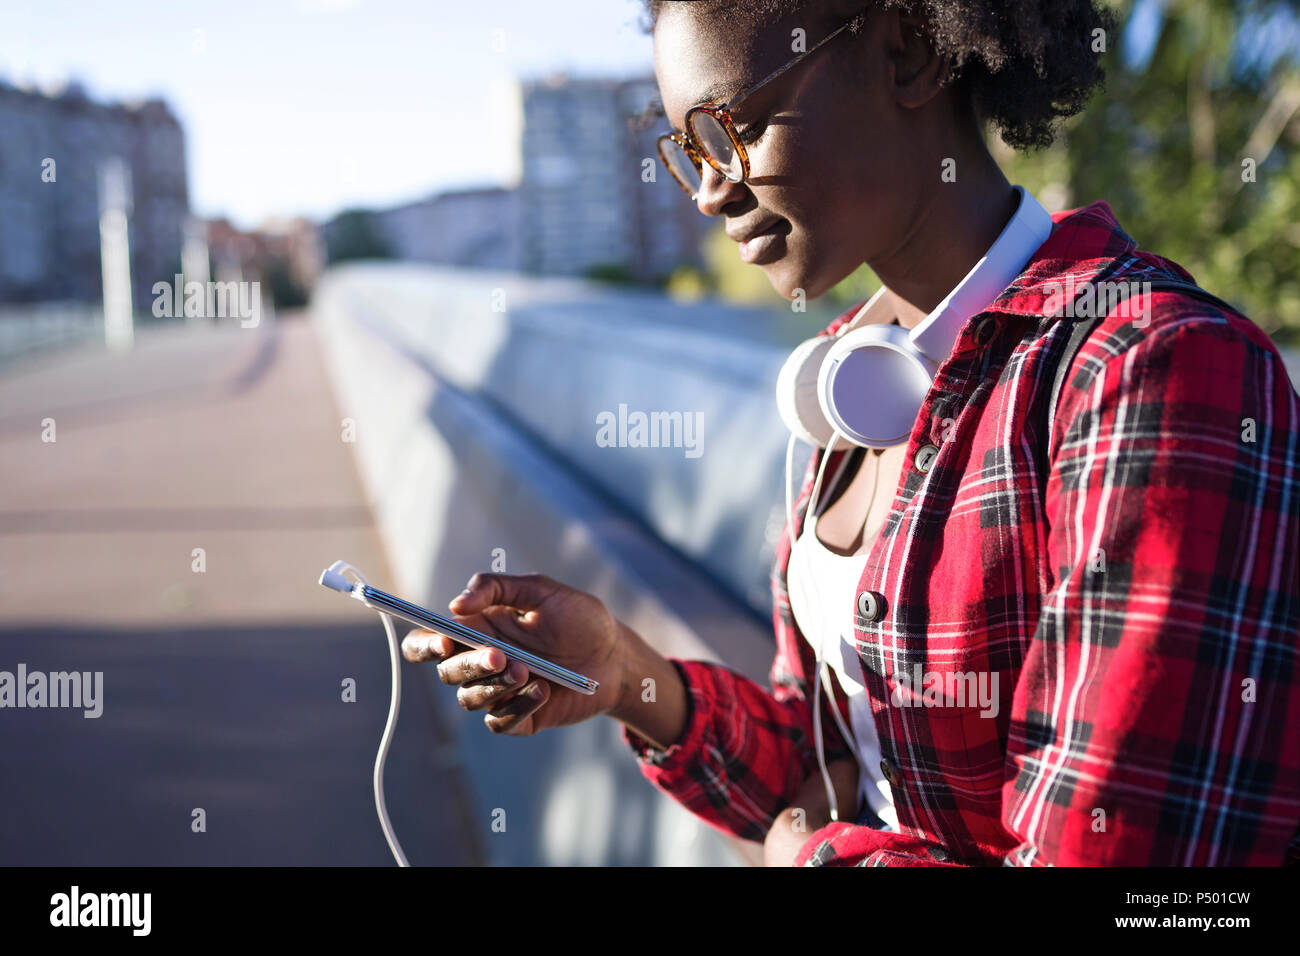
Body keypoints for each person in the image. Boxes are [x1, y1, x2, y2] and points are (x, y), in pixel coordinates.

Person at [401, 0, 1300, 866]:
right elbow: (830, 756)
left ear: (908, 51)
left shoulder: (1152, 369)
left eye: (734, 127)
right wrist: (626, 674)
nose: (711, 190)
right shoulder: (853, 386)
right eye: (686, 151)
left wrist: (816, 860)